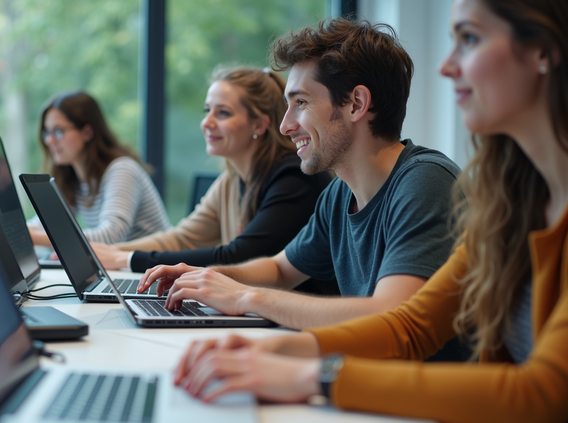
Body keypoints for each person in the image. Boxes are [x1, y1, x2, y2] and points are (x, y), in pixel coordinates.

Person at [170, 1, 568, 421]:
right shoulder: (511, 199)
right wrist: (271, 349)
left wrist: (314, 376)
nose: (446, 66)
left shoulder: (429, 181)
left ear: (542, 51)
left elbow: (544, 393)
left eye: (469, 38)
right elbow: (409, 326)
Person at [136, 18, 465, 343]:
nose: (285, 126)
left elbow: (388, 317)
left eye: (301, 103)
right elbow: (280, 270)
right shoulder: (339, 194)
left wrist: (244, 297)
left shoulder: (425, 181)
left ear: (357, 104)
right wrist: (207, 278)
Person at [92, 66, 333, 291]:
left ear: (259, 125)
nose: (207, 123)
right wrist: (111, 252)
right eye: (207, 110)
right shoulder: (231, 180)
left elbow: (238, 256)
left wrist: (125, 259)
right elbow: (183, 238)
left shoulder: (293, 177)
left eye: (223, 113)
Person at [27, 91, 171, 244]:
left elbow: (111, 235)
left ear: (87, 132)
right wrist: (19, 231)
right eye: (46, 132)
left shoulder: (122, 169)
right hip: (123, 266)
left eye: (58, 131)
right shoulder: (74, 180)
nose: (49, 140)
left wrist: (35, 239)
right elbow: (43, 224)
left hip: (154, 265)